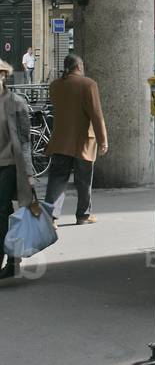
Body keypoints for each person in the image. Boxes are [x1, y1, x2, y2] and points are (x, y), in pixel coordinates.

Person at [45, 54, 108, 225]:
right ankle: (83, 215)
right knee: (84, 180)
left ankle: (50, 218)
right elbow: (96, 115)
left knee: (57, 179)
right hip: (84, 141)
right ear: (79, 67)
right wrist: (103, 140)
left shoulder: (55, 86)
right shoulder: (88, 84)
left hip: (60, 140)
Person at [0, 59, 37, 280]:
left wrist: (30, 174)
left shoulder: (16, 103)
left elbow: (25, 142)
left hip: (8, 166)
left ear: (4, 75)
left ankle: (8, 258)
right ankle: (13, 259)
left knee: (3, 211)